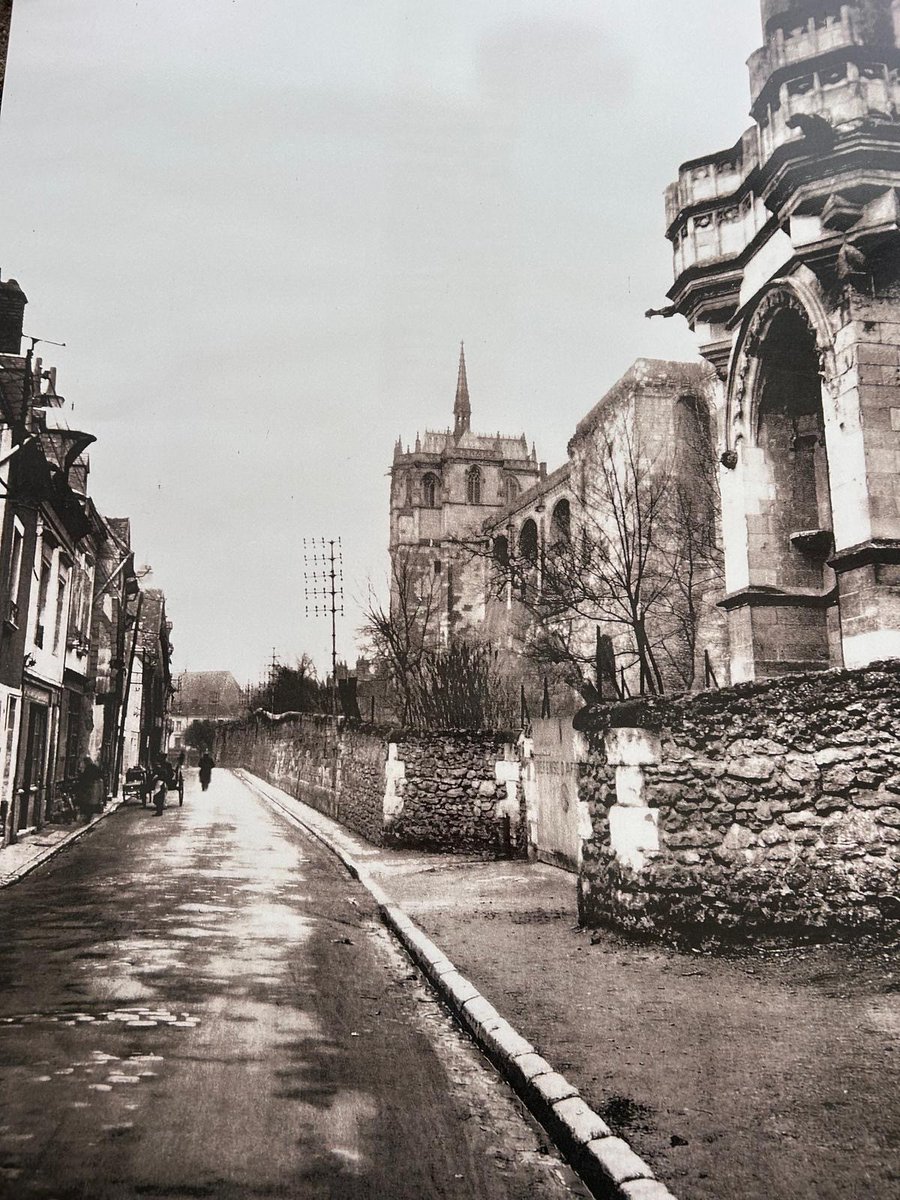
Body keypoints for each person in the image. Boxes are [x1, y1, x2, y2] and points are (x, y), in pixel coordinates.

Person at [73, 756, 103, 822]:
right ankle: (89, 817)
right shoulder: (95, 768)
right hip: (95, 789)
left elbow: (84, 779)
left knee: (86, 803)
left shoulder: (88, 769)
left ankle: (86, 817)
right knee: (91, 805)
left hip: (89, 789)